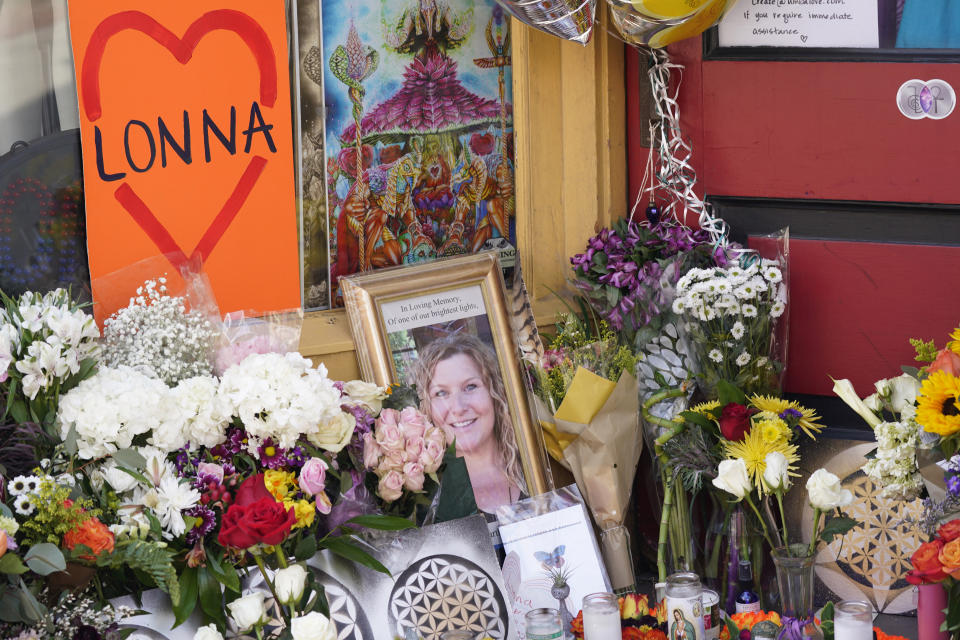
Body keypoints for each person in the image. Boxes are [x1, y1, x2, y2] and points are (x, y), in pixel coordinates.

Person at [413, 333, 526, 513]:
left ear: (495, 392)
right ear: (427, 409)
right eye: (441, 393)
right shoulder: (421, 500)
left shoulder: (538, 468)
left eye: (470, 387)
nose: (458, 408)